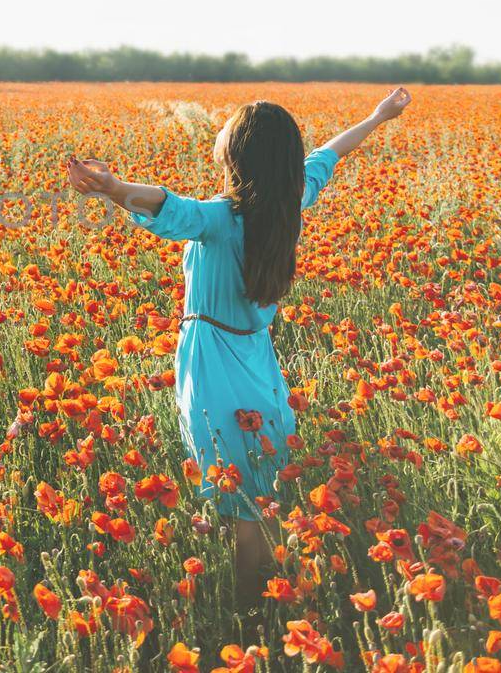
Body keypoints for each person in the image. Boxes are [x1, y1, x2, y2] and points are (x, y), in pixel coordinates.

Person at [64, 87, 411, 615]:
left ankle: (246, 611)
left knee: (242, 499)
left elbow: (166, 207)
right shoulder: (289, 202)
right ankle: (270, 596)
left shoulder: (219, 219)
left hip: (213, 363)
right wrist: (378, 117)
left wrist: (113, 187)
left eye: (226, 133)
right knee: (258, 486)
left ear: (236, 156)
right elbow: (328, 156)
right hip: (257, 360)